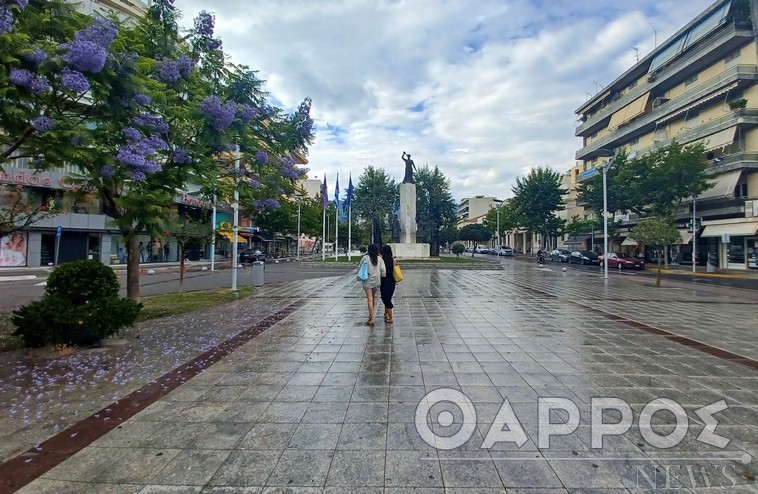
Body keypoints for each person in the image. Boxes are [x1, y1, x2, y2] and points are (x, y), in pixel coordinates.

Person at [359, 243, 386, 326]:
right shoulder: (380, 259)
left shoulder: (365, 258)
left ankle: (372, 318)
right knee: (372, 298)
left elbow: (359, 267)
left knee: (369, 299)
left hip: (367, 281)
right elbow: (383, 271)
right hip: (376, 281)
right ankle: (371, 315)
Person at [380, 244, 396, 324]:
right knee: (388, 297)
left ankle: (391, 318)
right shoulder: (392, 260)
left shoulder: (382, 260)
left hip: (384, 281)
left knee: (385, 298)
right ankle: (386, 314)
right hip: (392, 281)